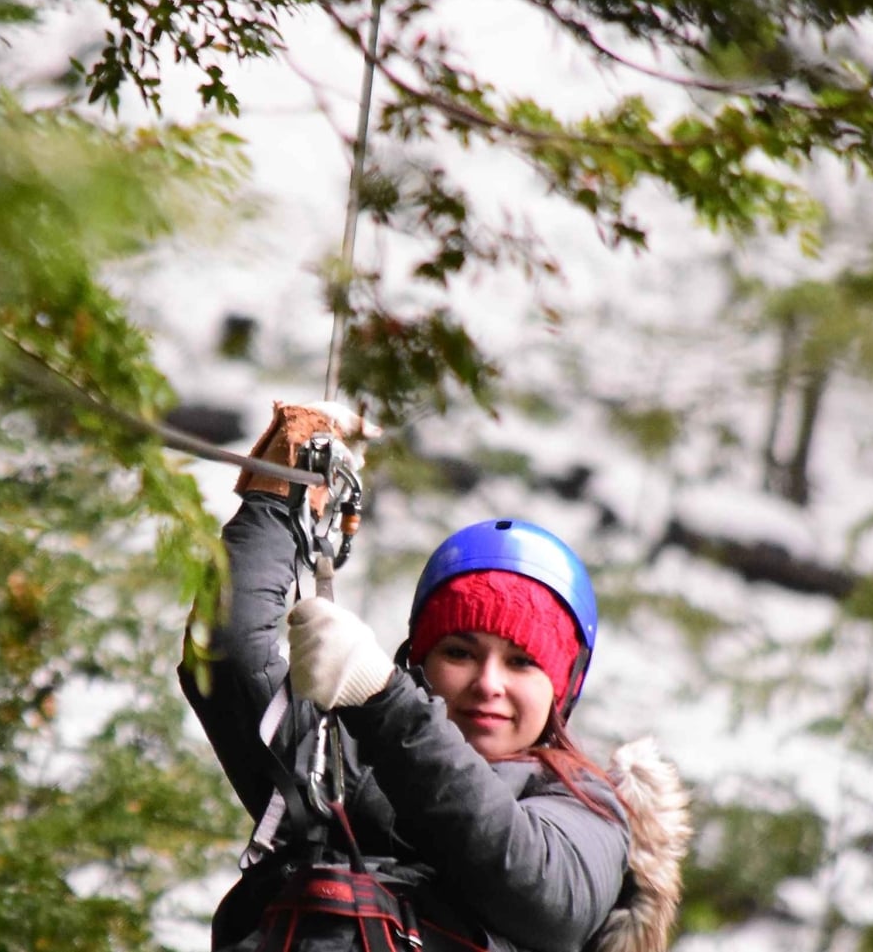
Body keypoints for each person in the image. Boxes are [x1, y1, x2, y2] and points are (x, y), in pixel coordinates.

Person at [180, 403, 689, 952]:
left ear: (561, 690)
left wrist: (383, 699)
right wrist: (278, 496)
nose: (489, 683)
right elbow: (227, 656)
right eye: (460, 652)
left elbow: (541, 893)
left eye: (521, 662)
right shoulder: (342, 765)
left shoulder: (585, 804)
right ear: (418, 659)